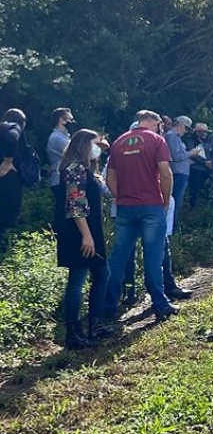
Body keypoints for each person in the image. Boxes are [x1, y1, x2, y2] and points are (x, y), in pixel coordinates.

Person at [104, 110, 179, 322]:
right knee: (153, 257)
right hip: (151, 205)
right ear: (155, 122)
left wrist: (119, 196)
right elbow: (166, 173)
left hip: (125, 207)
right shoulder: (156, 140)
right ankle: (160, 304)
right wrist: (165, 201)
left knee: (118, 257)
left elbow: (109, 177)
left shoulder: (119, 141)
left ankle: (108, 306)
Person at [53, 129, 111, 349]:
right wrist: (86, 236)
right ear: (84, 145)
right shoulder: (74, 169)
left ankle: (95, 324)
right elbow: (76, 205)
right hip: (79, 233)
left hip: (91, 231)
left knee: (102, 273)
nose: (98, 149)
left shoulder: (87, 169)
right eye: (95, 144)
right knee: (77, 280)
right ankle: (73, 333)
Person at [0, 109, 28, 241]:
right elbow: (12, 138)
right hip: (8, 178)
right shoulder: (13, 127)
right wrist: (8, 161)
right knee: (7, 220)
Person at [165, 115, 194, 228]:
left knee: (177, 202)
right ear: (180, 125)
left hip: (181, 173)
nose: (186, 131)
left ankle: (172, 226)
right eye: (186, 128)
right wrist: (191, 153)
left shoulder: (176, 137)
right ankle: (171, 228)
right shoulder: (172, 136)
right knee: (175, 201)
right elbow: (176, 156)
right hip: (177, 173)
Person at [186, 123, 213, 210]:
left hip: (206, 170)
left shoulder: (207, 142)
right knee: (194, 190)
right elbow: (192, 154)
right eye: (203, 132)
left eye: (206, 132)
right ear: (197, 132)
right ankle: (192, 209)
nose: (205, 134)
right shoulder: (191, 141)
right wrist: (204, 162)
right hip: (195, 169)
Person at [47, 107, 76, 187]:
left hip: (66, 179)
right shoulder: (57, 137)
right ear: (61, 120)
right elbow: (74, 154)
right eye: (70, 120)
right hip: (60, 180)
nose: (72, 122)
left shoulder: (65, 137)